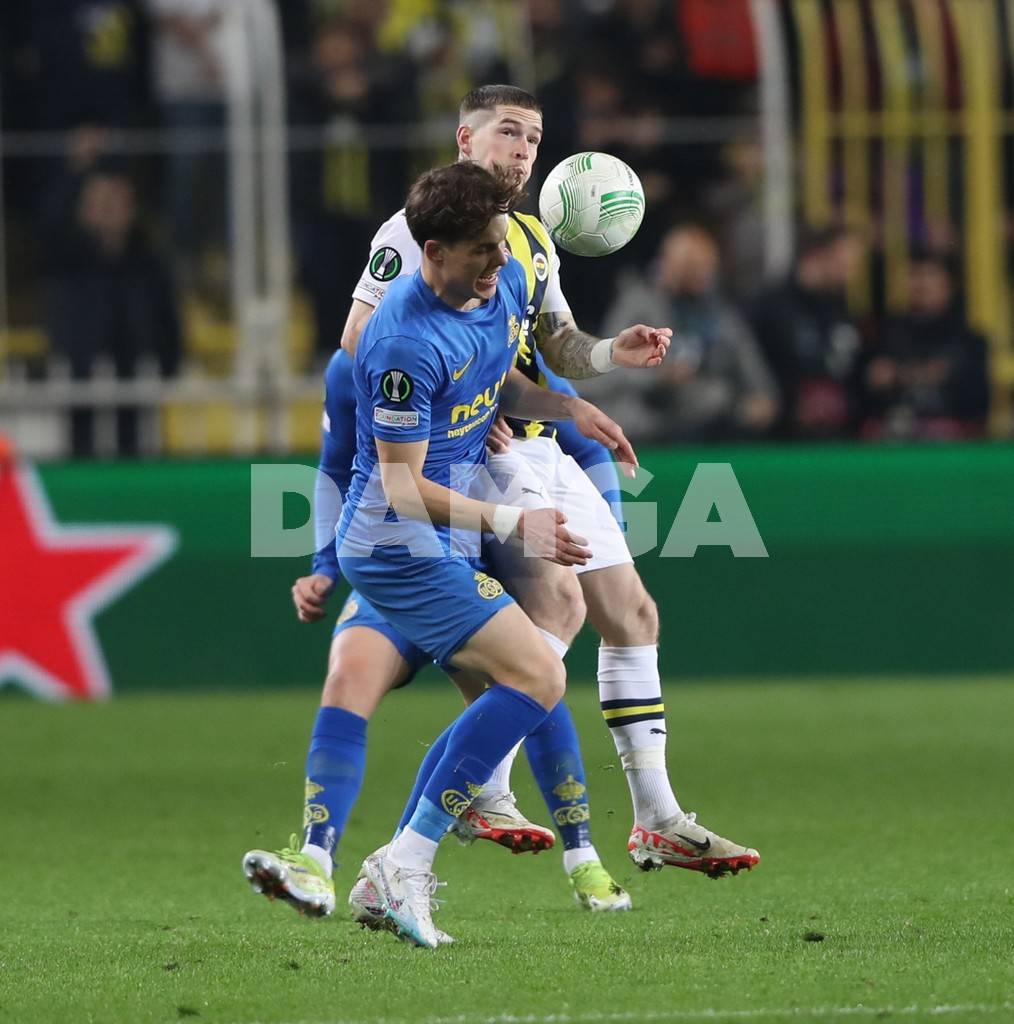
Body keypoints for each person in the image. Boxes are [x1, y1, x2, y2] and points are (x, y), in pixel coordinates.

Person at [341, 85, 759, 885]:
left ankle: (656, 819)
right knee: (559, 610)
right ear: (465, 138)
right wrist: (458, 401)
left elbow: (556, 342)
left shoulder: (526, 237)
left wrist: (608, 360)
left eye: (534, 137)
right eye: (508, 132)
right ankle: (475, 793)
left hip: (535, 439)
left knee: (632, 612)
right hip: (474, 454)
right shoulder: (414, 232)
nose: (524, 150)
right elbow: (361, 335)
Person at [333, 161, 647, 947]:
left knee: (527, 677)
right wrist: (516, 524)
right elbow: (401, 489)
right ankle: (400, 862)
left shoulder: (496, 282)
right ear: (432, 251)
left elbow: (497, 381)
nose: (502, 263)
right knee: (536, 674)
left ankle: (394, 867)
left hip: (444, 530)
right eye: (482, 251)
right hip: (394, 542)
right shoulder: (400, 344)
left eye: (503, 245)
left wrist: (572, 402)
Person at [592, 224, 778, 441]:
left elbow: (750, 366)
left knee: (717, 398)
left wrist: (762, 397)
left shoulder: (718, 313)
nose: (701, 275)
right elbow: (609, 366)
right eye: (691, 267)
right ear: (669, 265)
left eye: (705, 267)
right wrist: (657, 378)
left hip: (703, 413)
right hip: (643, 416)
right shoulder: (638, 305)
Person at [858, 249, 989, 440]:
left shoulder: (968, 339)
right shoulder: (882, 332)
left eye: (931, 275)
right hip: (890, 440)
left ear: (950, 283)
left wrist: (898, 376)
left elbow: (976, 401)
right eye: (914, 275)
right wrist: (924, 374)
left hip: (951, 443)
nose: (922, 284)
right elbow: (867, 387)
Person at [748, 225, 864, 439]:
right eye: (844, 263)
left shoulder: (842, 308)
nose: (852, 272)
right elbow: (752, 366)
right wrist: (788, 404)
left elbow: (850, 369)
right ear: (816, 256)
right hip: (779, 433)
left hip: (838, 434)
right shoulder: (768, 305)